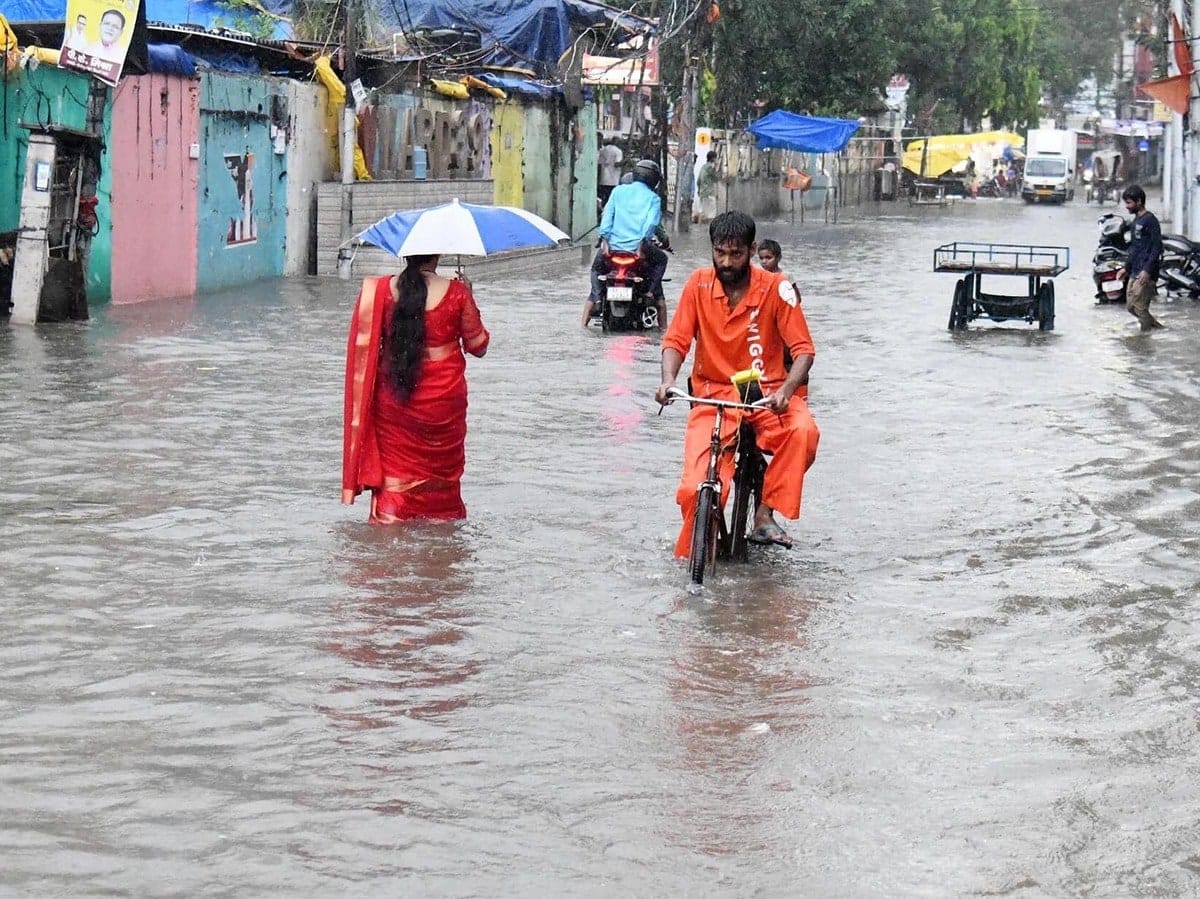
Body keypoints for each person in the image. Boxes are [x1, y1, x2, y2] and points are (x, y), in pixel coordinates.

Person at [655, 211, 819, 554]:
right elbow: (676, 341)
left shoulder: (777, 287)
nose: (727, 262)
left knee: (803, 431)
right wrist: (667, 380)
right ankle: (694, 552)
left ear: (752, 249)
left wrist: (786, 391)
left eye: (736, 254)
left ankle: (764, 513)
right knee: (693, 487)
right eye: (720, 253)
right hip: (712, 393)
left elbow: (804, 350)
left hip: (765, 393)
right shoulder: (697, 284)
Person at [343, 255, 490, 522]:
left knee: (395, 478)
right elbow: (478, 345)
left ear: (405, 255)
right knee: (442, 479)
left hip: (394, 400)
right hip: (444, 403)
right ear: (437, 256)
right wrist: (470, 295)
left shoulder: (380, 292)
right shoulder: (457, 293)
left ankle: (390, 523)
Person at [581, 158, 669, 328]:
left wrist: (605, 240)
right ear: (654, 180)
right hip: (639, 251)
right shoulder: (653, 199)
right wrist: (642, 243)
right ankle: (651, 295)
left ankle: (597, 301)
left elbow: (607, 218)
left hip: (612, 249)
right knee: (662, 260)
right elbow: (651, 224)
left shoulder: (618, 191)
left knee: (596, 269)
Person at [1118, 184, 1164, 332]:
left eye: (1129, 202)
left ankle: (1144, 339)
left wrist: (1147, 270)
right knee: (1131, 307)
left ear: (1139, 202)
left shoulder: (1151, 220)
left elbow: (1157, 247)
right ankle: (1158, 328)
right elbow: (1134, 248)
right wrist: (1126, 268)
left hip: (1146, 272)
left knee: (1140, 307)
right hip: (1135, 270)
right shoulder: (1135, 222)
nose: (1126, 206)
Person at [597, 138, 623, 209]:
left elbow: (599, 164)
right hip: (613, 180)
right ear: (618, 142)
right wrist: (626, 162)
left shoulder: (603, 150)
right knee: (611, 199)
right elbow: (617, 164)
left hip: (603, 178)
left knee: (603, 198)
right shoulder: (618, 151)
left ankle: (602, 211)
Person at [695, 150, 719, 223]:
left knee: (702, 213)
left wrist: (699, 190)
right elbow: (716, 178)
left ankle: (700, 229)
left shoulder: (703, 167)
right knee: (711, 214)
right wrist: (717, 166)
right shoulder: (710, 167)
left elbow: (698, 180)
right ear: (713, 158)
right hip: (709, 193)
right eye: (716, 158)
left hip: (702, 193)